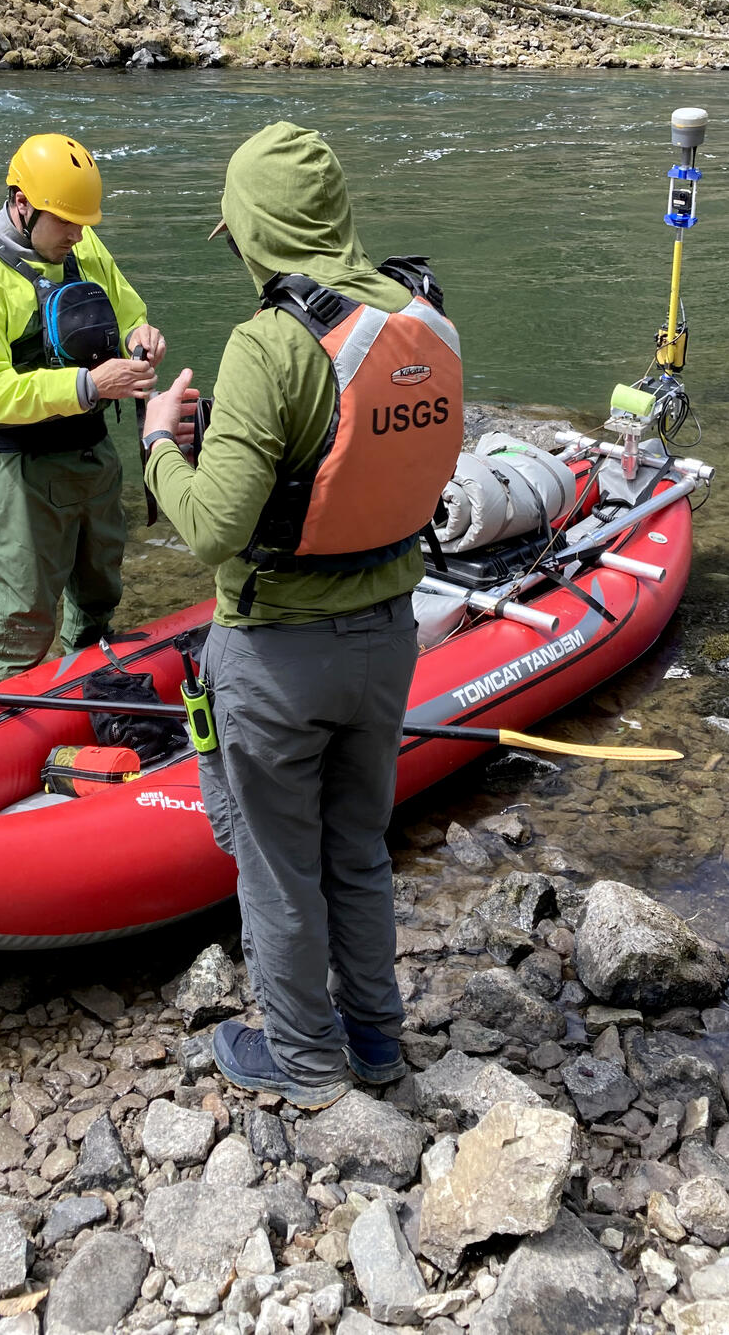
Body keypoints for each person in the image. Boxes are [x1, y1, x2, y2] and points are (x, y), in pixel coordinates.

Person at [140, 121, 463, 1109]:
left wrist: (161, 445)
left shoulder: (268, 343)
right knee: (356, 848)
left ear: (256, 230)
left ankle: (303, 1059)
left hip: (277, 656)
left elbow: (213, 528)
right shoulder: (421, 318)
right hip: (386, 642)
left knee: (278, 870)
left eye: (234, 232)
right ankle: (374, 1038)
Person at [0, 132, 165, 691]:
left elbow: (129, 309)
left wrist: (140, 336)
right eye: (66, 221)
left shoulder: (81, 246)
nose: (78, 233)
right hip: (22, 472)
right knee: (23, 618)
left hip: (92, 455)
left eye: (84, 222)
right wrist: (88, 383)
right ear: (23, 202)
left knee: (100, 590)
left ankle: (94, 685)